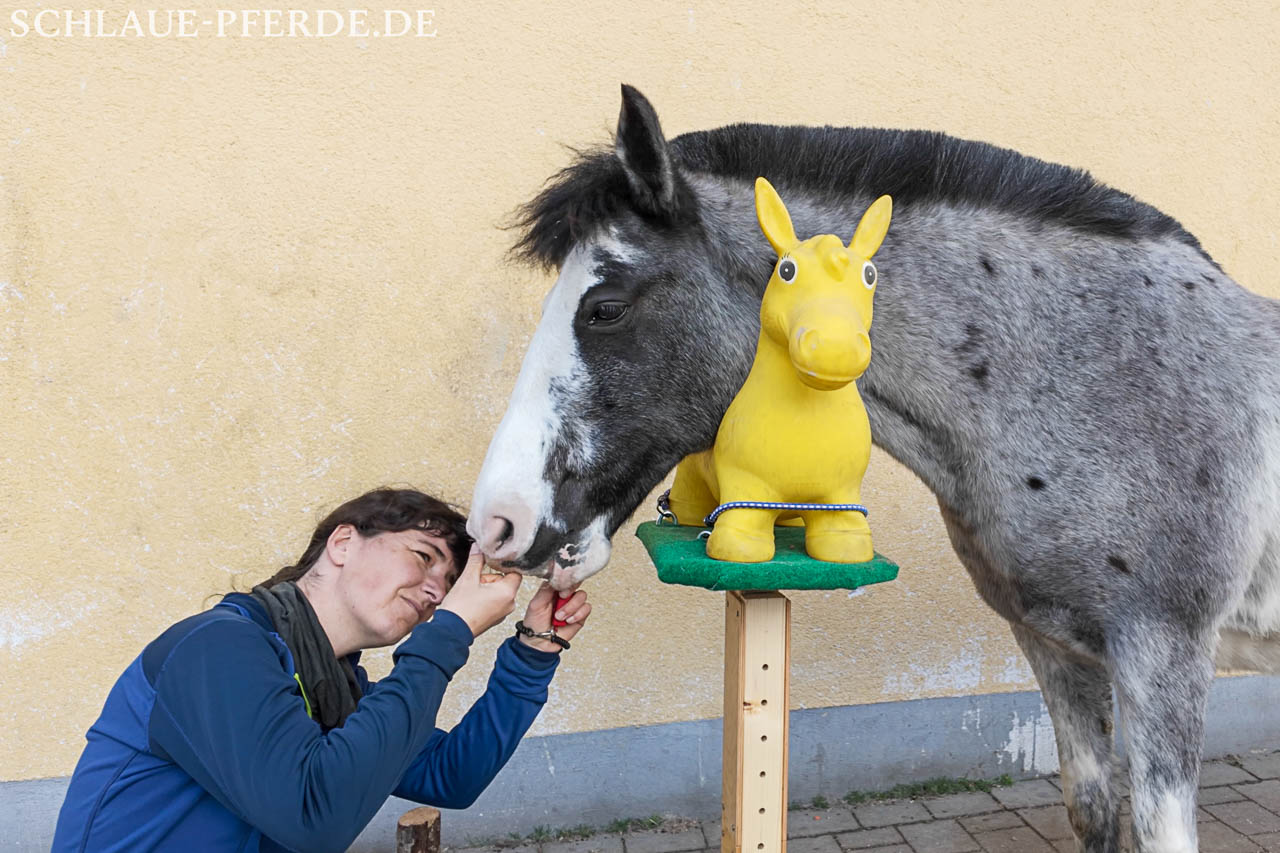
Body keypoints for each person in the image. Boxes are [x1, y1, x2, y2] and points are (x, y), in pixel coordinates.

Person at [51, 487, 590, 853]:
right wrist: (449, 630)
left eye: (448, 587)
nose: (434, 593)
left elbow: (451, 775)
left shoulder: (336, 688)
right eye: (424, 557)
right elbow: (313, 815)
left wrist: (532, 653)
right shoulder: (217, 649)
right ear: (342, 542)